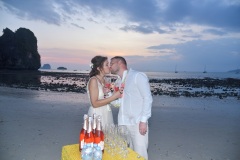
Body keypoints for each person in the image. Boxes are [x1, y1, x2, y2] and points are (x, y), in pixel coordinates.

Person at [110, 56, 153, 160]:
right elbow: (119, 103)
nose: (110, 66)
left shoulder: (137, 76)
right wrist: (109, 96)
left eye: (111, 63)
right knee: (128, 154)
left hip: (137, 123)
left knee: (140, 155)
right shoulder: (118, 82)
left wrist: (143, 121)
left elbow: (147, 98)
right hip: (123, 123)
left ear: (120, 63)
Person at [87, 55, 122, 129]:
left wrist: (112, 94)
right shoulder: (94, 80)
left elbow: (107, 98)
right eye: (106, 65)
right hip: (97, 114)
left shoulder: (105, 80)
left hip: (106, 112)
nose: (109, 66)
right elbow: (95, 104)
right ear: (99, 68)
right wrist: (114, 96)